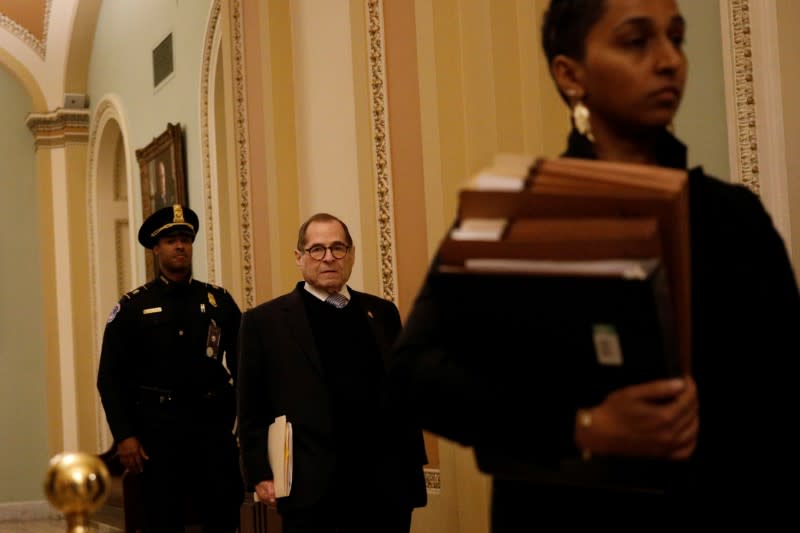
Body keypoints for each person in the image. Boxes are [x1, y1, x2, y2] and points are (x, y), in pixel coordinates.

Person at [385, 0, 800, 527]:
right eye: (636, 41)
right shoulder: (514, 211)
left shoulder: (735, 217)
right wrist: (579, 425)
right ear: (570, 73)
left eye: (676, 37)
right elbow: (411, 376)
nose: (669, 59)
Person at [237, 212, 428, 533]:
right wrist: (260, 474)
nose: (328, 258)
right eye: (317, 249)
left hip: (385, 483)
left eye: (338, 248)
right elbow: (251, 405)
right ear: (299, 257)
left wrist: (412, 464)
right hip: (312, 487)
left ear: (351, 255)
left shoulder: (381, 313)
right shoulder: (265, 322)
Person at [97, 204, 244, 532]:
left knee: (221, 514)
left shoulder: (219, 301)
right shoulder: (133, 307)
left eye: (185, 239)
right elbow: (110, 377)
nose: (180, 246)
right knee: (162, 518)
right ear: (155, 248)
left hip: (211, 430)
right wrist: (124, 435)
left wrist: (239, 424)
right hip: (157, 433)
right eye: (170, 240)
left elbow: (243, 365)